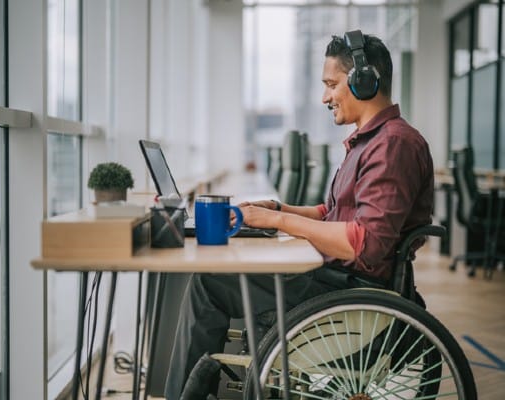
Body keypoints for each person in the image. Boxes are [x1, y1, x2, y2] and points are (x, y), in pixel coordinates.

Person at [164, 30, 434, 399]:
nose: (325, 97)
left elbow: (364, 244)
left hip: (351, 289)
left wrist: (278, 222)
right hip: (335, 277)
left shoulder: (393, 145)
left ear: (363, 80)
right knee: (217, 275)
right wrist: (276, 209)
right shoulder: (371, 141)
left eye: (331, 84)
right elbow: (333, 213)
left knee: (209, 281)